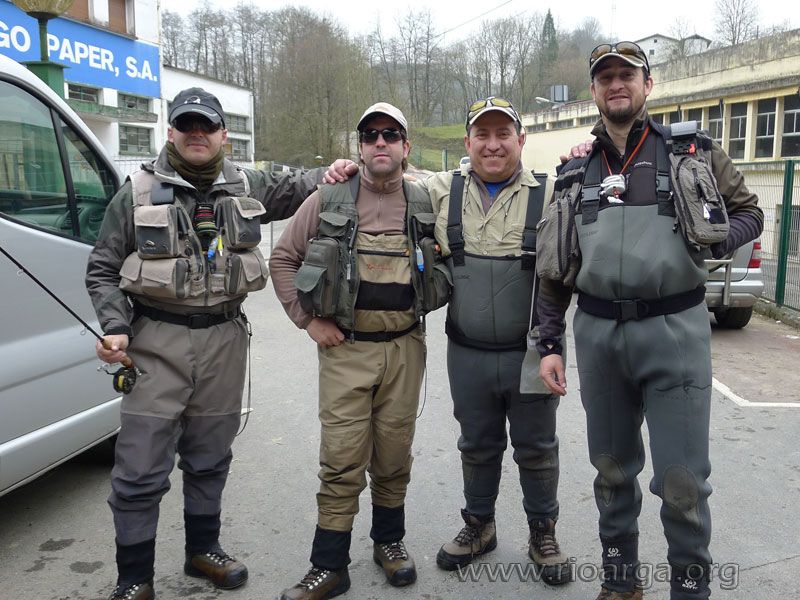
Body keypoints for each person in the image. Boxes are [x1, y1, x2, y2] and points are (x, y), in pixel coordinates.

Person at [535, 42, 764, 600]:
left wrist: (715, 242)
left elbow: (750, 211)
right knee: (611, 472)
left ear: (648, 84)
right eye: (605, 77)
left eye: (627, 75)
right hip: (598, 335)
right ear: (594, 90)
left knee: (683, 481)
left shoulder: (693, 153)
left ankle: (690, 589)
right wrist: (549, 342)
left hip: (675, 332)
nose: (617, 84)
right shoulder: (574, 170)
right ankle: (620, 583)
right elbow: (554, 267)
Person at [86, 87, 322, 600]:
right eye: (187, 124)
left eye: (207, 125)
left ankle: (202, 551)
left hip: (224, 341)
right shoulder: (136, 191)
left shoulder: (248, 183)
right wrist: (115, 325)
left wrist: (344, 168)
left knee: (211, 456)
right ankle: (134, 579)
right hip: (155, 342)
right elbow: (103, 268)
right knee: (140, 466)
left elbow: (304, 184)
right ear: (170, 131)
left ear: (222, 134)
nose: (197, 134)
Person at [325, 97, 572, 586]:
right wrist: (347, 170)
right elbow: (385, 181)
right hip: (467, 353)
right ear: (468, 142)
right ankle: (479, 526)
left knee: (537, 447)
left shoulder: (552, 191)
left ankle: (543, 532)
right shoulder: (438, 190)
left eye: (503, 134)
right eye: (483, 135)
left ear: (521, 140)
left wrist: (584, 153)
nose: (493, 145)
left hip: (531, 355)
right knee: (476, 443)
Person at [269, 102, 447, 600]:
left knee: (394, 454)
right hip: (347, 350)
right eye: (371, 135)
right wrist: (308, 320)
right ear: (360, 147)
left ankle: (389, 542)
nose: (380, 142)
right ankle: (329, 565)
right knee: (342, 458)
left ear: (407, 146)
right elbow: (283, 259)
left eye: (391, 134)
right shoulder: (328, 197)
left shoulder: (426, 199)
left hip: (405, 348)